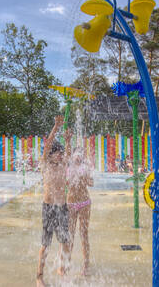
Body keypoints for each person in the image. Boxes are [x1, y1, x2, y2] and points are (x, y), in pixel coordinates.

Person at [37, 115, 70, 287]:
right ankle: (39, 275)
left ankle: (61, 269)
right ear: (50, 154)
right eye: (57, 152)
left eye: (61, 152)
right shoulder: (45, 165)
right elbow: (47, 144)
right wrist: (56, 126)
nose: (60, 155)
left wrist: (68, 141)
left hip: (62, 207)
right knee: (46, 244)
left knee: (65, 242)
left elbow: (69, 155)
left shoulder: (63, 165)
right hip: (49, 207)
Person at [64, 129, 93, 276]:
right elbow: (64, 183)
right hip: (70, 204)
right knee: (70, 235)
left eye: (81, 154)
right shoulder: (68, 167)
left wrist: (86, 179)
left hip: (84, 203)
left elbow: (91, 182)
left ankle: (86, 265)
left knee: (83, 234)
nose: (78, 157)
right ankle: (66, 263)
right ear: (73, 155)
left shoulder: (85, 167)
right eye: (76, 154)